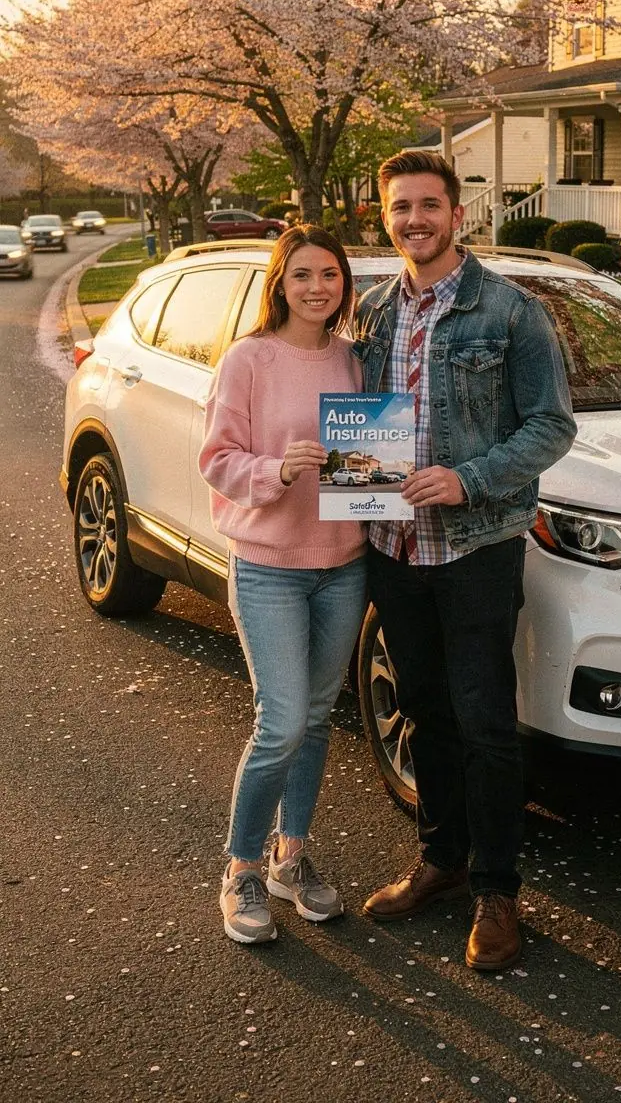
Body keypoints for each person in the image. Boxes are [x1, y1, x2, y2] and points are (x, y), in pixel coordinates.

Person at [356, 150, 576, 971]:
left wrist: (468, 478)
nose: (414, 220)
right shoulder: (374, 311)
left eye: (428, 205)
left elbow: (551, 426)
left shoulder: (510, 312)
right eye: (400, 208)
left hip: (475, 548)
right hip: (392, 548)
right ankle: (440, 862)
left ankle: (496, 891)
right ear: (388, 217)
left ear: (457, 213)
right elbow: (361, 425)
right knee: (422, 706)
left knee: (485, 720)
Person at [199, 225, 368, 945]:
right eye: (302, 275)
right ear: (280, 282)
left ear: (343, 284)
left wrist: (375, 475)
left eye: (328, 275)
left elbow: (368, 462)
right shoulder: (250, 358)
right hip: (268, 563)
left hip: (344, 563)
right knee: (282, 722)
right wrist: (277, 470)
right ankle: (239, 868)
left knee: (320, 716)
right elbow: (216, 457)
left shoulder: (356, 361)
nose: (317, 288)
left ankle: (289, 860)